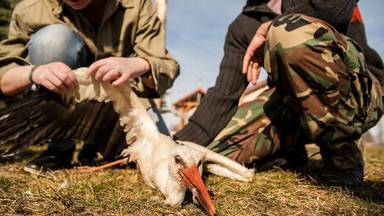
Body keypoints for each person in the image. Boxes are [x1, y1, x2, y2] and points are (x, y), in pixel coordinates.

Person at [206, 0, 384, 186]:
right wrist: (179, 145)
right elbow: (223, 95)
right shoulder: (245, 21)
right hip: (292, 104)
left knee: (287, 32)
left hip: (361, 94)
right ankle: (288, 146)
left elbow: (333, 9)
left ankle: (344, 157)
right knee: (214, 154)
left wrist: (272, 27)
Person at [0, 0, 179, 173]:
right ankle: (61, 148)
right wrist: (35, 72)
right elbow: (4, 77)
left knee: (163, 156)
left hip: (123, 101)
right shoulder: (31, 9)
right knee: (51, 42)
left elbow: (166, 66)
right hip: (64, 108)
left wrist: (138, 65)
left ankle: (95, 144)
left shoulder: (137, 5)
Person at [173, 0, 281, 145]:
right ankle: (290, 145)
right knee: (221, 150)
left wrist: (279, 28)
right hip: (285, 108)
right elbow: (225, 93)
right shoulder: (244, 24)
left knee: (293, 34)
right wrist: (182, 143)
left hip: (318, 93)